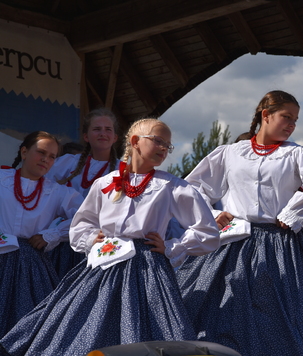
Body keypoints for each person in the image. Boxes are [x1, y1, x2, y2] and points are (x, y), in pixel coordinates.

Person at [1, 118, 221, 356]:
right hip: (102, 268)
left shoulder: (173, 187)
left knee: (146, 333)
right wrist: (92, 238)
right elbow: (80, 224)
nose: (163, 148)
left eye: (168, 145)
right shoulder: (105, 183)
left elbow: (208, 232)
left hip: (146, 270)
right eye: (158, 141)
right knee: (83, 329)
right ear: (135, 141)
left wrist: (172, 246)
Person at [176, 90, 303, 356]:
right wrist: (211, 214)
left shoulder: (298, 154)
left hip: (282, 245)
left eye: (295, 119)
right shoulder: (231, 153)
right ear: (265, 115)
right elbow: (191, 189)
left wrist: (293, 212)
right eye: (286, 117)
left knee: (301, 315)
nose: (292, 124)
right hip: (234, 244)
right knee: (224, 310)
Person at [0, 131, 83, 339]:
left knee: (30, 323)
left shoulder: (56, 191)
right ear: (25, 152)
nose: (46, 159)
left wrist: (52, 234)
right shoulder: (2, 180)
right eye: (41, 153)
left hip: (31, 265)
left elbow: (87, 216)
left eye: (52, 156)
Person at [45, 108, 121, 278]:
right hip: (65, 240)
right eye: (96, 129)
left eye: (108, 129)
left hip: (102, 241)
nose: (103, 133)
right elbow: (40, 183)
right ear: (86, 136)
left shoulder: (124, 170)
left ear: (115, 137)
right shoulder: (67, 163)